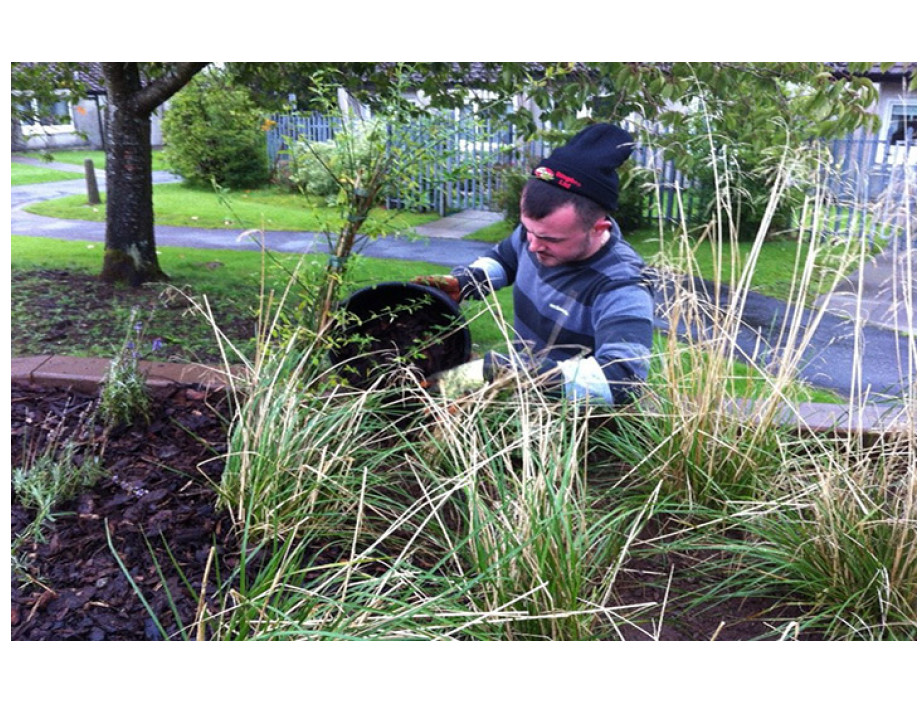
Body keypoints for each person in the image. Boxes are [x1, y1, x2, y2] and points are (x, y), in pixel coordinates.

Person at [415, 123, 654, 406]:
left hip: (572, 422)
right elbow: (506, 259)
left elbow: (622, 380)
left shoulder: (624, 284)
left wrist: (503, 372)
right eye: (527, 230)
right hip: (518, 394)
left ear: (598, 228)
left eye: (548, 238)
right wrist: (466, 282)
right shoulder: (536, 237)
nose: (532, 245)